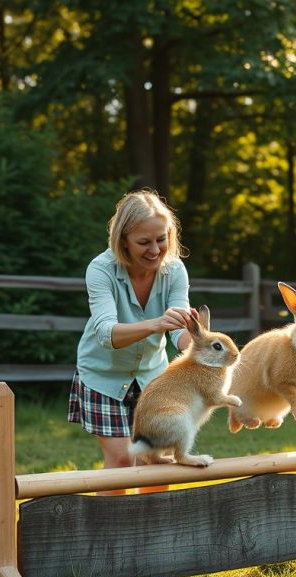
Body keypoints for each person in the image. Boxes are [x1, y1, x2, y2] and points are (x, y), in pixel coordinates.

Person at [69, 188, 196, 493]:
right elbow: (105, 333)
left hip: (154, 377)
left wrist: (198, 342)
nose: (155, 249)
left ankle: (150, 534)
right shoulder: (101, 270)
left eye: (162, 239)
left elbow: (179, 333)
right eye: (144, 242)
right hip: (103, 377)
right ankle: (112, 536)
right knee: (124, 460)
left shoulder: (175, 270)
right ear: (123, 240)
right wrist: (154, 324)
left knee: (156, 460)